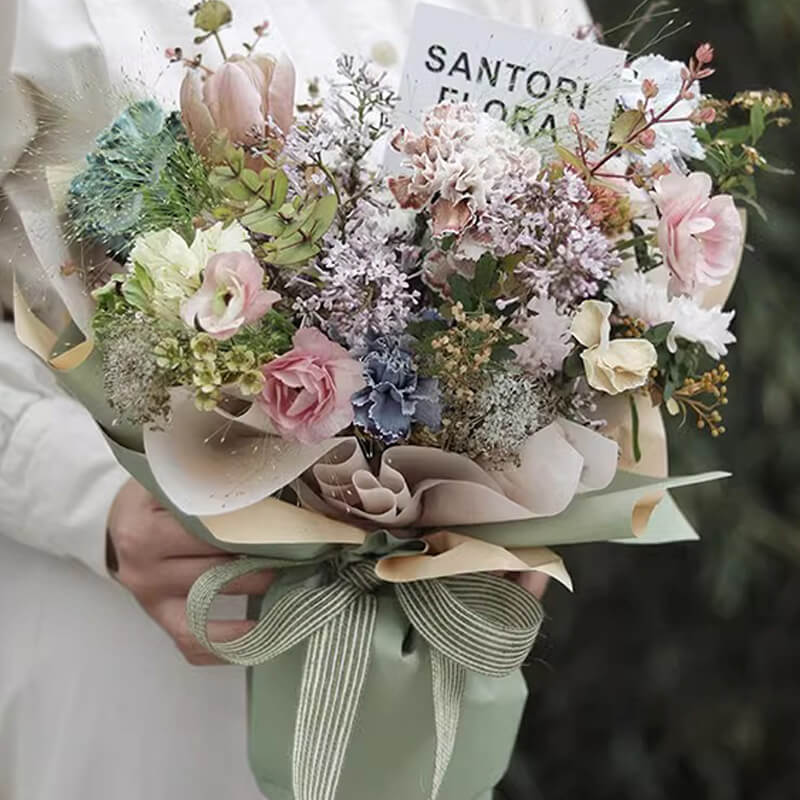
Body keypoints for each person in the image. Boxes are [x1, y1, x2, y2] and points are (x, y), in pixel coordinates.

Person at [0, 1, 590, 798]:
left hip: (423, 670)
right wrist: (80, 492)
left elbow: (603, 246)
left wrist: (544, 497)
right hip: (135, 645)